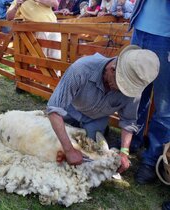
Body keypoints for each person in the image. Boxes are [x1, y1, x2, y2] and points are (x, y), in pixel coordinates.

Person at [46, 45, 159, 173]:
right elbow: (54, 109)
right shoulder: (81, 69)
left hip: (96, 118)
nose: (120, 91)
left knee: (90, 150)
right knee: (49, 137)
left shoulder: (133, 91)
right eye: (120, 85)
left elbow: (128, 121)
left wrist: (124, 152)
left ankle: (97, 129)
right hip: (71, 110)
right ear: (112, 69)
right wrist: (68, 150)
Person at [128, 0, 170, 186]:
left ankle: (151, 160)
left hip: (166, 36)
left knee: (164, 105)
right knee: (136, 94)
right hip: (140, 28)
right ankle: (130, 142)